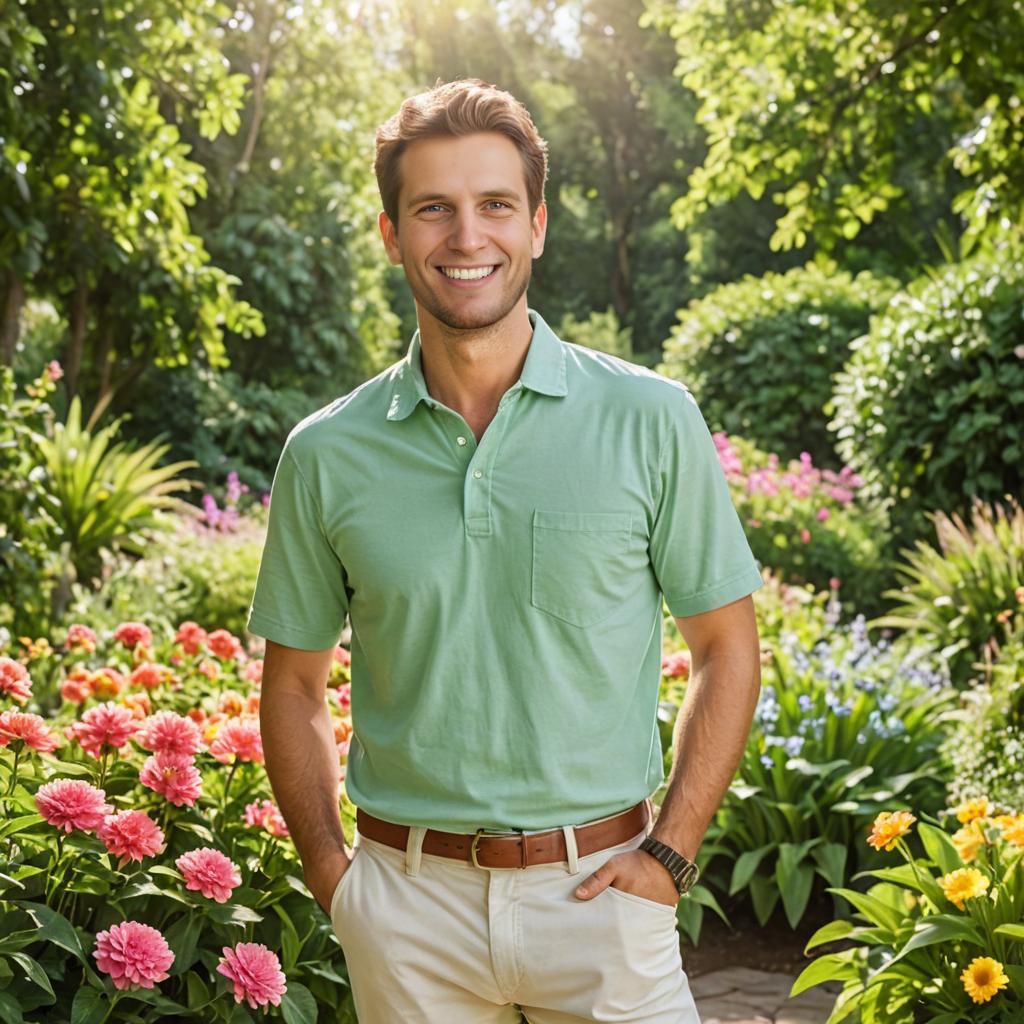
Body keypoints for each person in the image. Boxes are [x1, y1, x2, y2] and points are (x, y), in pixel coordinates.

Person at [248, 77, 764, 1023]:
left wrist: (671, 851)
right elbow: (293, 685)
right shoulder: (326, 451)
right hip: (409, 912)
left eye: (493, 205)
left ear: (535, 225)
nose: (466, 237)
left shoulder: (652, 419)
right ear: (391, 234)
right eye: (432, 209)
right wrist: (336, 879)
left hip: (605, 903)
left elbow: (727, 648)